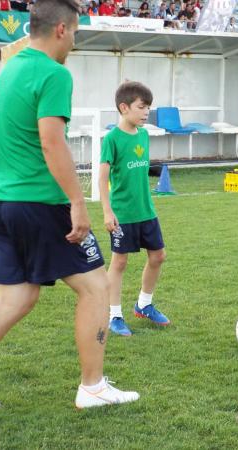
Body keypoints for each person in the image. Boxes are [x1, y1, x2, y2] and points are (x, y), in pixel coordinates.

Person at [0, 0, 139, 411]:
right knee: (96, 287)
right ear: (61, 29)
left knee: (15, 298)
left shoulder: (11, 69)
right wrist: (78, 201)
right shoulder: (53, 73)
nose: (74, 41)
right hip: (40, 202)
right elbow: (51, 141)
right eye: (75, 32)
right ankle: (93, 387)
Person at [99, 81, 171, 337]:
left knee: (158, 256)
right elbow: (102, 178)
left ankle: (143, 304)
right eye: (142, 107)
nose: (146, 112)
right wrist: (108, 212)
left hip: (146, 211)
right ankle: (114, 316)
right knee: (119, 262)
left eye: (148, 108)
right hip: (123, 213)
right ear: (124, 107)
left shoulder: (142, 135)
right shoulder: (111, 139)